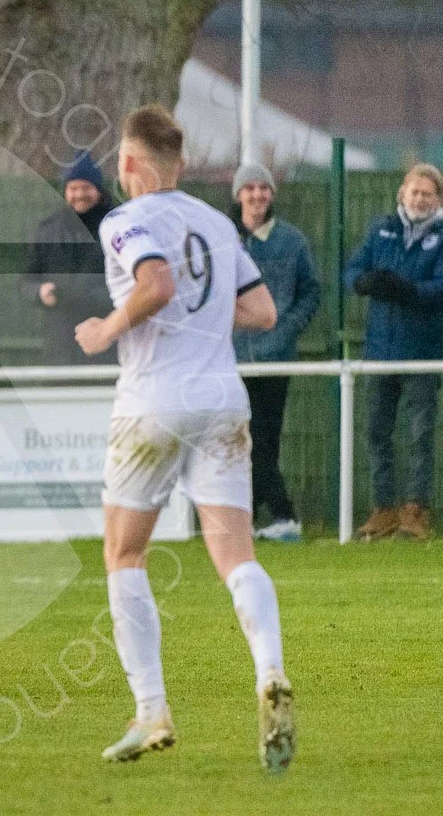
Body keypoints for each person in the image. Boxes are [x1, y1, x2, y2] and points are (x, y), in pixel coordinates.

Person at [72, 104, 294, 772]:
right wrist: (203, 316)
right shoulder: (218, 222)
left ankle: (151, 711)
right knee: (236, 553)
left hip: (154, 401)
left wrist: (107, 330)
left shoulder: (125, 219)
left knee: (124, 553)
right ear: (184, 163)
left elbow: (157, 283)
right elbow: (262, 311)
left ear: (131, 164)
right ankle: (271, 671)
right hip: (222, 397)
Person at [344, 164, 443, 541]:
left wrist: (410, 292)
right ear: (402, 194)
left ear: (439, 199)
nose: (420, 199)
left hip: (422, 352)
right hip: (381, 350)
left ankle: (416, 511)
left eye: (428, 194)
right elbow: (353, 268)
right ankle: (384, 510)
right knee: (377, 431)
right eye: (415, 192)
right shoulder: (382, 229)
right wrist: (362, 282)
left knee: (419, 434)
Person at [228, 164, 321, 542]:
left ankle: (283, 517)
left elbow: (311, 293)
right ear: (238, 195)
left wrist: (286, 327)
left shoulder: (293, 241)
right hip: (230, 359)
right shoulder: (224, 239)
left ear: (272, 194)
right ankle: (257, 519)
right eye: (248, 187)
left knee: (263, 441)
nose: (256, 195)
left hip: (274, 358)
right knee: (240, 442)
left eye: (263, 187)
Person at [24, 151, 115, 364]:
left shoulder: (116, 227)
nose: (79, 194)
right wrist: (40, 292)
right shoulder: (49, 229)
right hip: (60, 344)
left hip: (106, 341)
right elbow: (27, 279)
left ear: (99, 190)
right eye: (73, 188)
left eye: (86, 188)